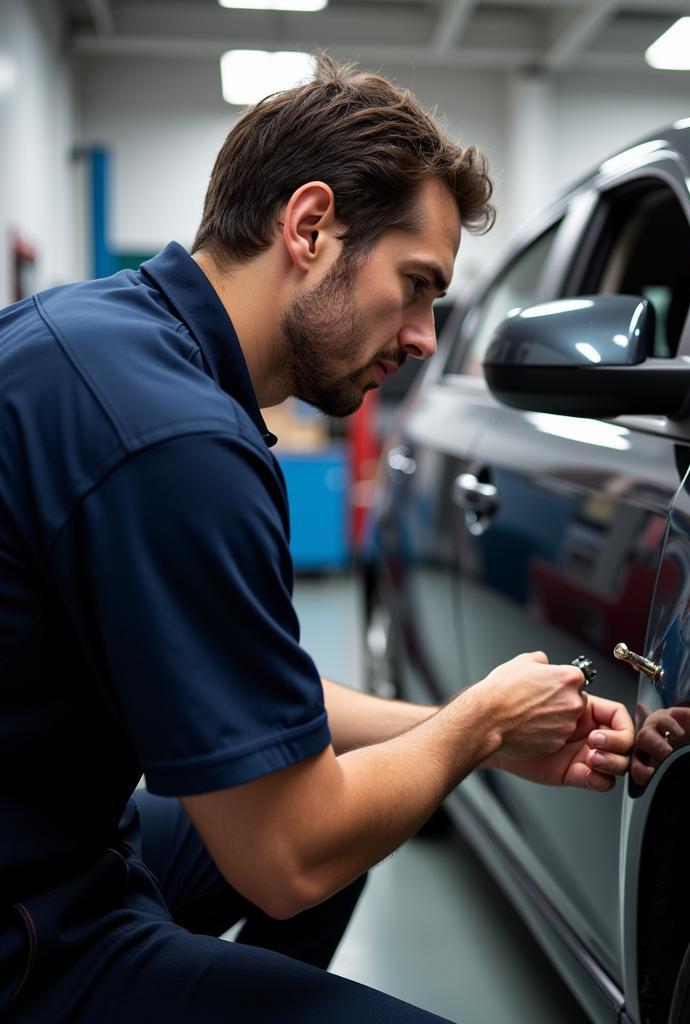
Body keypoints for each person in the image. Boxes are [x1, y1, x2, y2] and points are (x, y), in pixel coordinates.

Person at [0, 55, 635, 1023]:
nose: (426, 336)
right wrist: (479, 725)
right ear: (308, 228)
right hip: (32, 926)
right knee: (327, 845)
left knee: (358, 816)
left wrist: (470, 735)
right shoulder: (178, 444)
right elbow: (288, 853)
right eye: (416, 285)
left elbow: (265, 705)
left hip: (57, 828)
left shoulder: (100, 330)